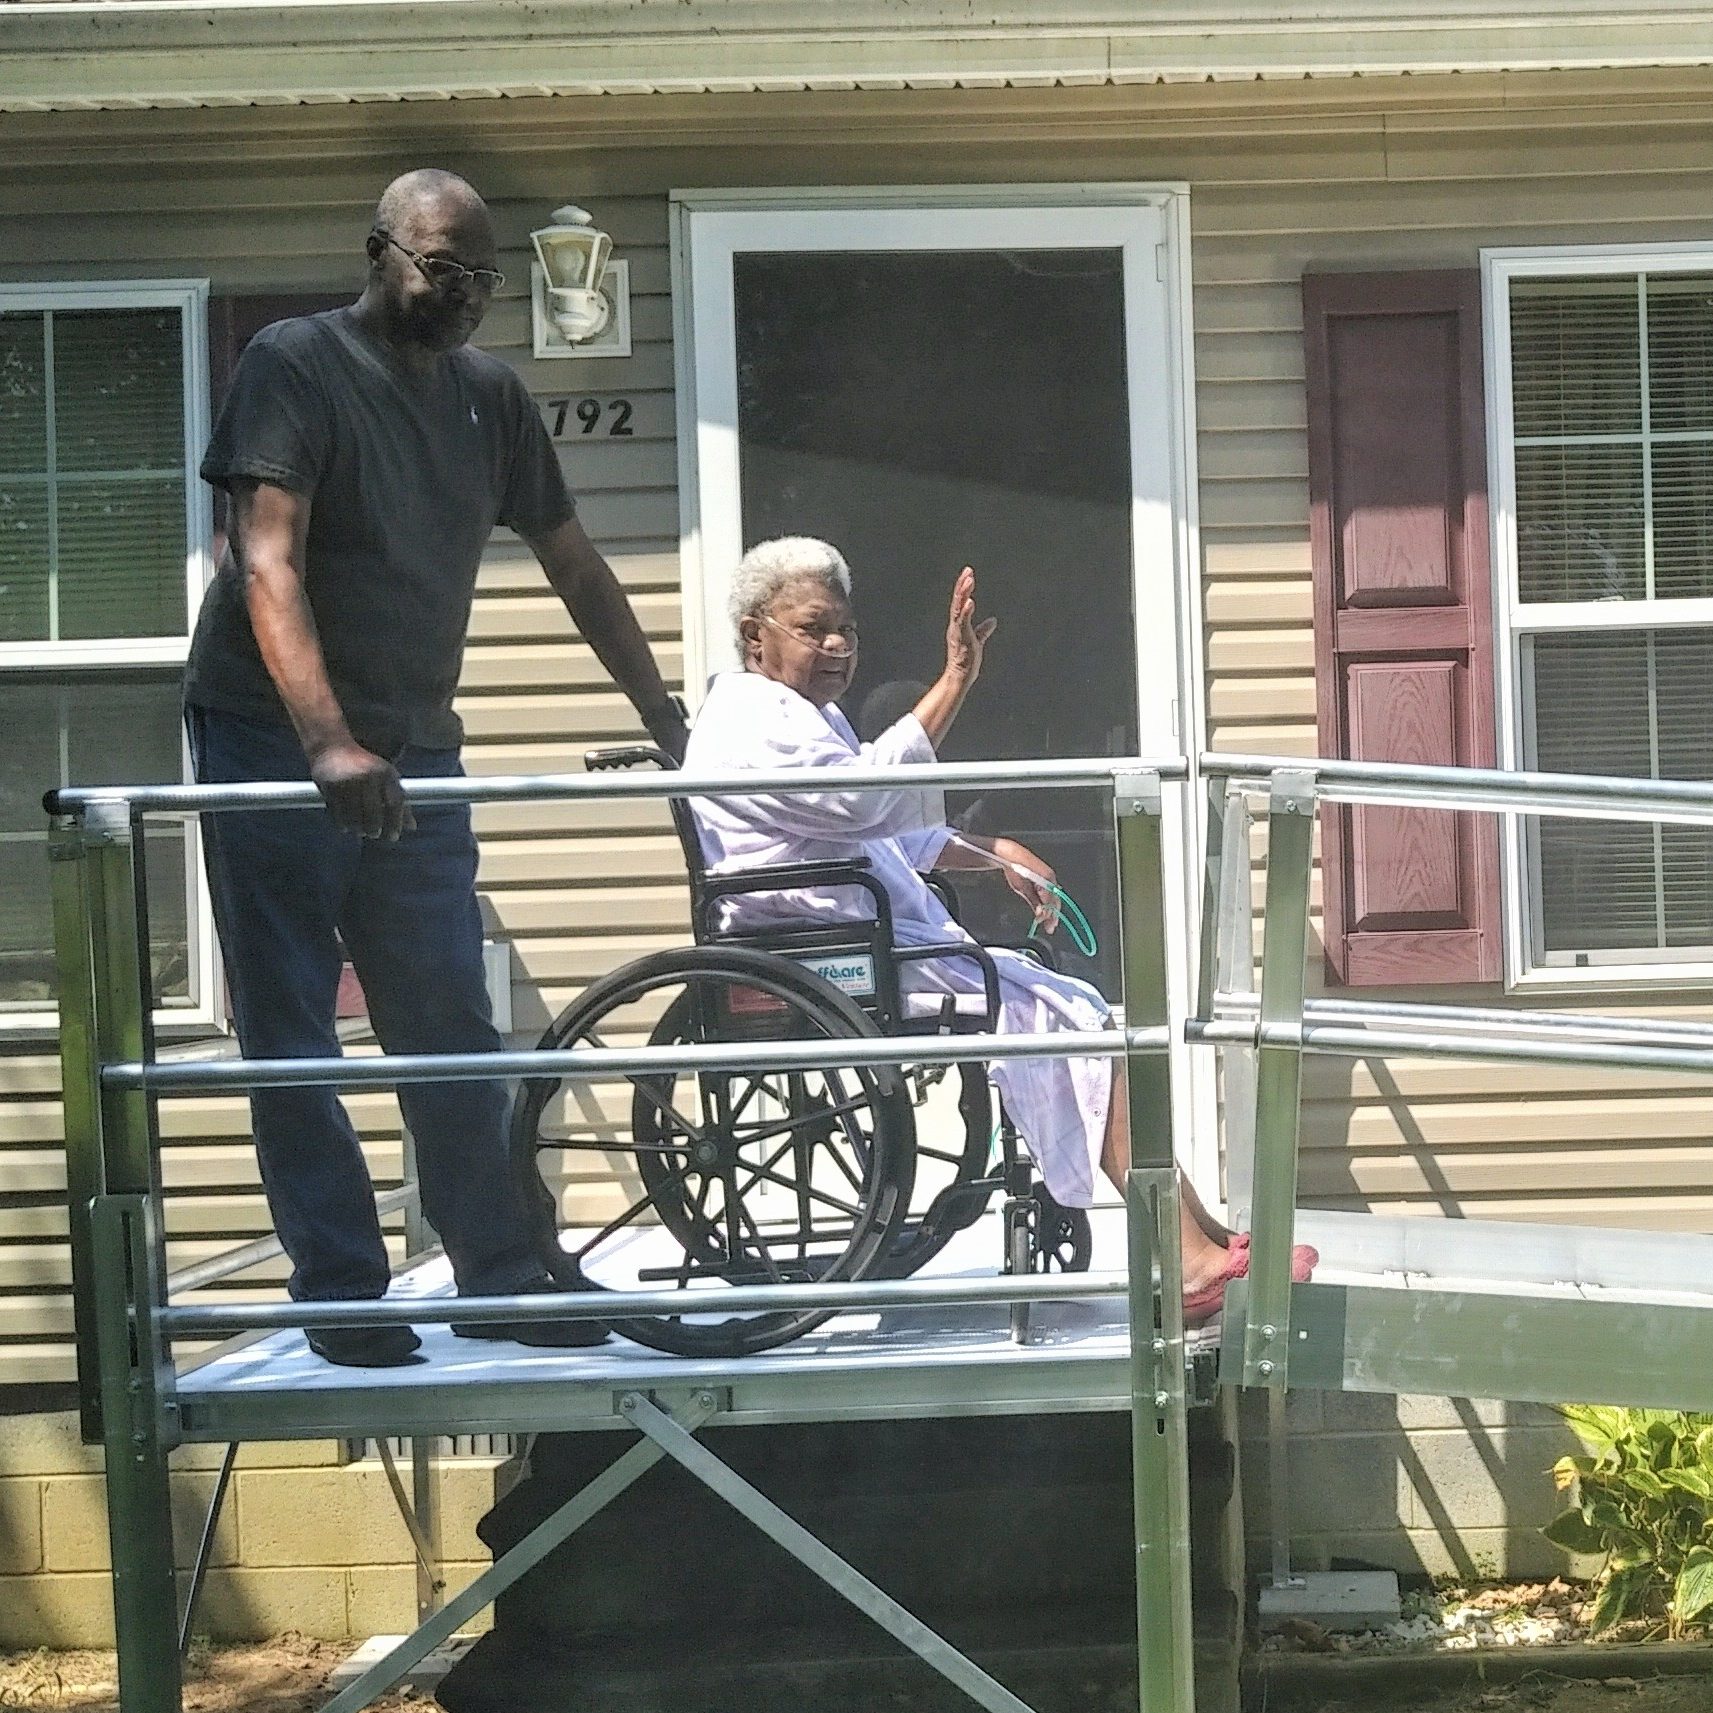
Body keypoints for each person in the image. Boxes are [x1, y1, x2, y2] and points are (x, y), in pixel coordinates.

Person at [184, 168, 688, 1366]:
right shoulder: (297, 364)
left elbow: (573, 563)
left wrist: (668, 715)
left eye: (480, 277)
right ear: (379, 256)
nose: (460, 295)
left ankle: (501, 1272)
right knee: (293, 1027)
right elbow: (266, 558)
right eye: (437, 267)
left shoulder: (489, 398)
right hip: (272, 737)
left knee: (449, 1021)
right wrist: (324, 741)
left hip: (412, 745)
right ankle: (347, 1292)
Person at [684, 536, 1315, 1323]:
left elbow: (873, 831)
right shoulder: (756, 717)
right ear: (756, 635)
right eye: (814, 628)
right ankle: (1185, 1262)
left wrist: (992, 852)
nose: (838, 645)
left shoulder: (796, 715)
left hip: (860, 935)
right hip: (829, 953)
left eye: (846, 629)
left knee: (1079, 1008)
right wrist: (952, 681)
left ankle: (1203, 1236)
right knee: (1068, 1018)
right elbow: (862, 804)